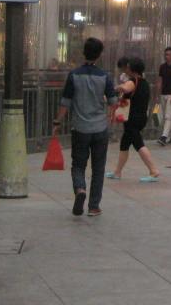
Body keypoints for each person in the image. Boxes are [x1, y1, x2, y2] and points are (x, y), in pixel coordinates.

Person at [53, 37, 117, 217]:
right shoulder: (104, 76)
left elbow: (65, 102)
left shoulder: (74, 75)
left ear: (83, 52)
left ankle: (80, 189)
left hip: (80, 128)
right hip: (100, 129)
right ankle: (94, 206)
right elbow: (113, 102)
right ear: (99, 55)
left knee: (78, 165)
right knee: (98, 168)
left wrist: (57, 122)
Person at [106, 58, 161, 182]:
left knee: (138, 144)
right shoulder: (144, 83)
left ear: (133, 69)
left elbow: (126, 89)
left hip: (133, 118)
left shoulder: (132, 81)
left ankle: (153, 171)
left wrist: (117, 87)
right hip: (139, 117)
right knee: (124, 144)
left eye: (128, 66)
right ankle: (117, 172)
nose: (127, 68)